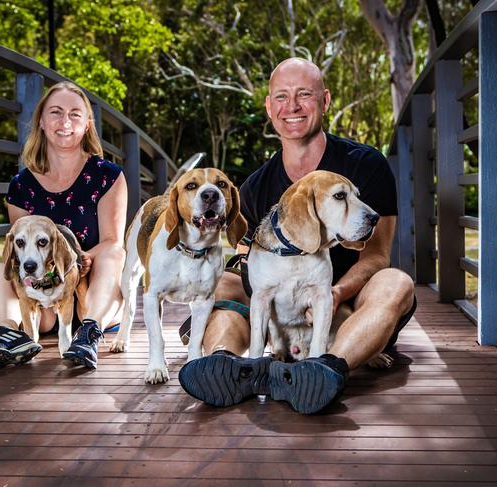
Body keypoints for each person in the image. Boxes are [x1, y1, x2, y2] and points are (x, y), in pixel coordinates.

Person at [178, 58, 416, 414]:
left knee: (397, 282)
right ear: (270, 107)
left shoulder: (365, 165)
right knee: (224, 283)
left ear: (325, 100)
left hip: (348, 304)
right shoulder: (257, 186)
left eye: (304, 94)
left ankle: (325, 369)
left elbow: (377, 255)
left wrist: (336, 294)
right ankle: (231, 366)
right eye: (282, 96)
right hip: (281, 307)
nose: (292, 106)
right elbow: (245, 257)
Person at [0, 81, 127, 371]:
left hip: (89, 289)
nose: (65, 122)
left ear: (87, 123)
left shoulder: (107, 176)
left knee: (115, 252)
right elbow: (22, 250)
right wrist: (47, 281)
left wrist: (74, 263)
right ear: (41, 121)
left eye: (75, 114)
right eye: (55, 112)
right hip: (42, 300)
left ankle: (89, 333)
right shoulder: (21, 186)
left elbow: (111, 239)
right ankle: (7, 336)